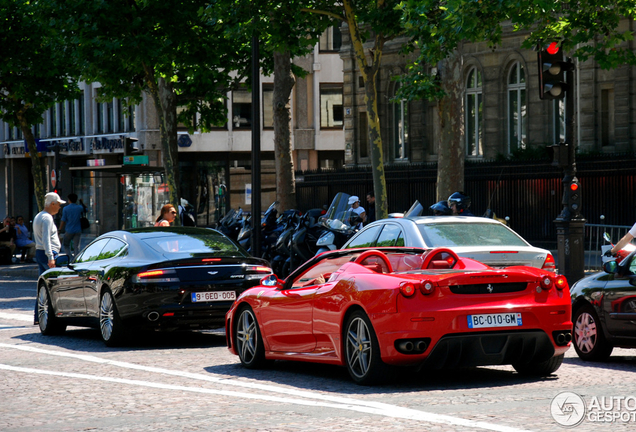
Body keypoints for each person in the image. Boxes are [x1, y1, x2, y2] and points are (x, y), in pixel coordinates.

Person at [33, 192, 65, 325]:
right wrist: (51, 257)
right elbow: (46, 238)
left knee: (43, 287)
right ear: (52, 204)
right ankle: (57, 316)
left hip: (41, 252)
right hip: (48, 253)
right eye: (58, 204)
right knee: (54, 285)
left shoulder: (39, 216)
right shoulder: (47, 218)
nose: (59, 207)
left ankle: (38, 316)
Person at [59, 193, 85, 261]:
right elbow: (86, 209)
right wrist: (81, 202)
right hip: (78, 229)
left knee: (66, 244)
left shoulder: (66, 209)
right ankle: (76, 259)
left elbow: (63, 220)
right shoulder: (79, 207)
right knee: (76, 246)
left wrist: (60, 229)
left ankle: (70, 257)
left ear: (69, 200)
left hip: (69, 230)